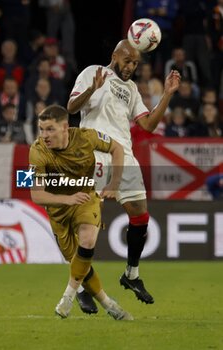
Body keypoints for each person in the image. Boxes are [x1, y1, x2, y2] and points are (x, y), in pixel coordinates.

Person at [67, 39, 181, 312]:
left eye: (135, 64)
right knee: (88, 225)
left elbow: (149, 125)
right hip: (94, 151)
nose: (131, 67)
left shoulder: (131, 89)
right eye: (127, 61)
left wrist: (166, 94)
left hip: (124, 156)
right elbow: (71, 108)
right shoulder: (92, 72)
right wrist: (91, 90)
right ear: (114, 56)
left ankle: (131, 275)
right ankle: (82, 285)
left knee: (141, 215)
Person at [29, 104, 133, 320]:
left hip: (86, 198)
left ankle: (67, 296)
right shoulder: (37, 151)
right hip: (58, 211)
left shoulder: (87, 137)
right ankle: (109, 304)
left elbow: (117, 149)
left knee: (87, 240)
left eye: (50, 129)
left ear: (65, 127)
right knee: (79, 263)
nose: (44, 135)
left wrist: (114, 183)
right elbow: (36, 195)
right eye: (41, 129)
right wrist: (67, 199)